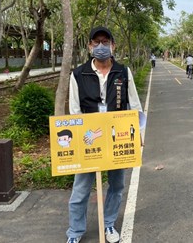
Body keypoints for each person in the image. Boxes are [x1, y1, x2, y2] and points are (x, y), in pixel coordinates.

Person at [66, 26, 143, 243]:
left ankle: (108, 224)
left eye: (105, 41)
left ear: (113, 45)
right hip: (89, 138)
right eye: (96, 42)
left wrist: (138, 134)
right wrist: (85, 137)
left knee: (116, 186)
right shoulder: (78, 74)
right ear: (89, 46)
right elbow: (75, 111)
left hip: (117, 139)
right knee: (80, 189)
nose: (101, 46)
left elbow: (134, 105)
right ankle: (74, 232)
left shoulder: (123, 71)